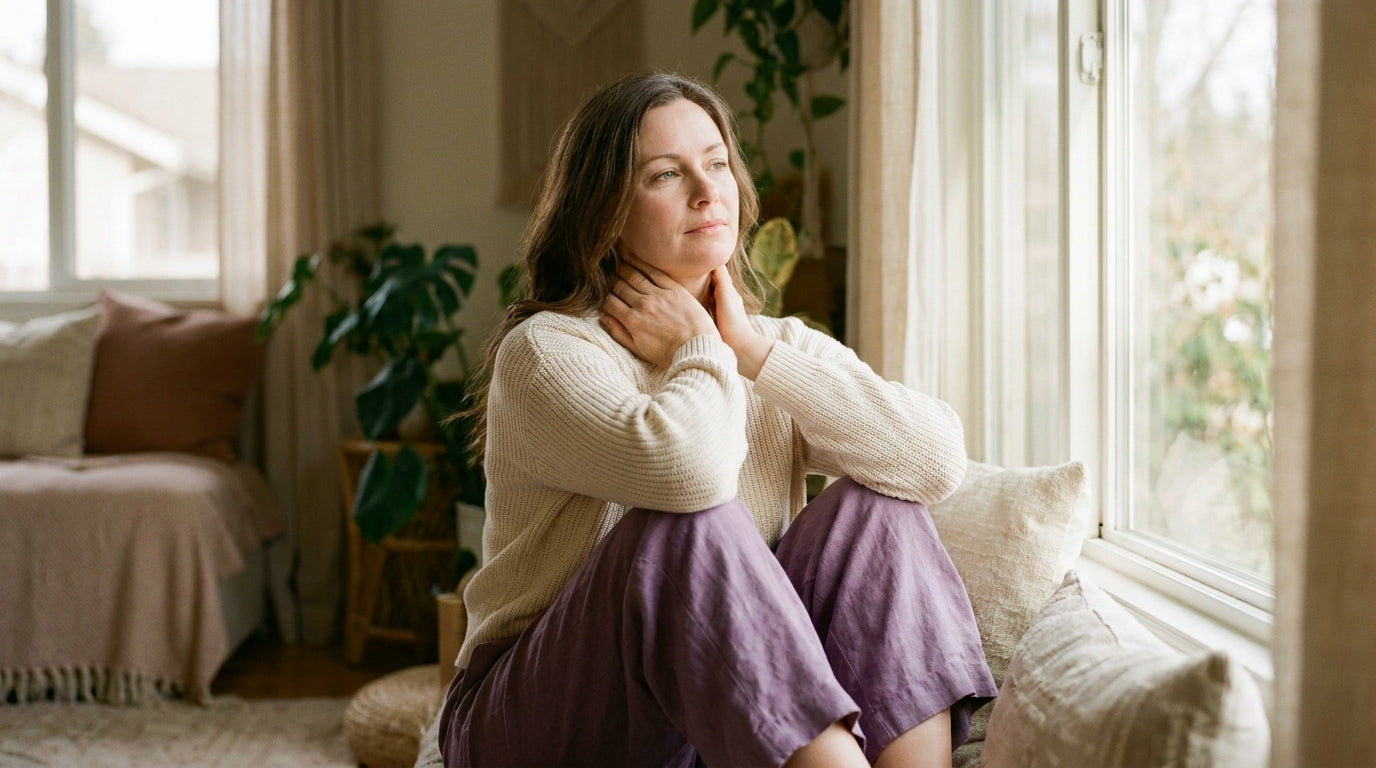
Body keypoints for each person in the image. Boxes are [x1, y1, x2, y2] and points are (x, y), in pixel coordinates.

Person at [438, 71, 996, 768]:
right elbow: (692, 473)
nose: (707, 192)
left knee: (879, 511)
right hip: (533, 718)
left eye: (717, 163)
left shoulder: (764, 345)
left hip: (701, 715)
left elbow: (935, 460)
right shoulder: (549, 353)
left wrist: (754, 353)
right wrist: (700, 349)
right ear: (604, 210)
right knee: (684, 520)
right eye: (666, 175)